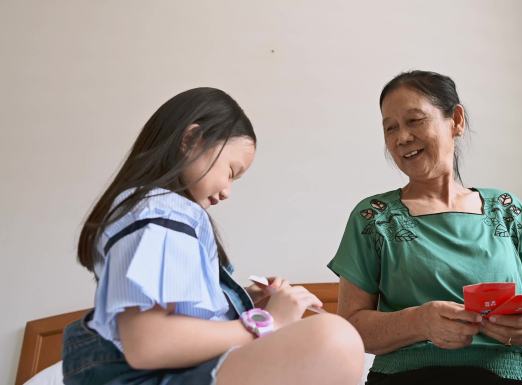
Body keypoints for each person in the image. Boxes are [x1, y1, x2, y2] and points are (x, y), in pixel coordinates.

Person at [63, 87, 364, 385]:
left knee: (333, 341)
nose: (227, 192)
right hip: (142, 378)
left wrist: (242, 300)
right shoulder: (161, 212)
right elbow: (148, 344)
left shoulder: (157, 214)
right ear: (191, 139)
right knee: (334, 339)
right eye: (231, 172)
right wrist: (267, 323)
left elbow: (177, 321)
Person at [328, 71, 522, 385]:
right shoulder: (373, 217)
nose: (402, 138)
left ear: (456, 120)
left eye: (414, 121)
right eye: (390, 128)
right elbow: (351, 327)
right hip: (408, 377)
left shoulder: (507, 209)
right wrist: (419, 322)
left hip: (508, 373)